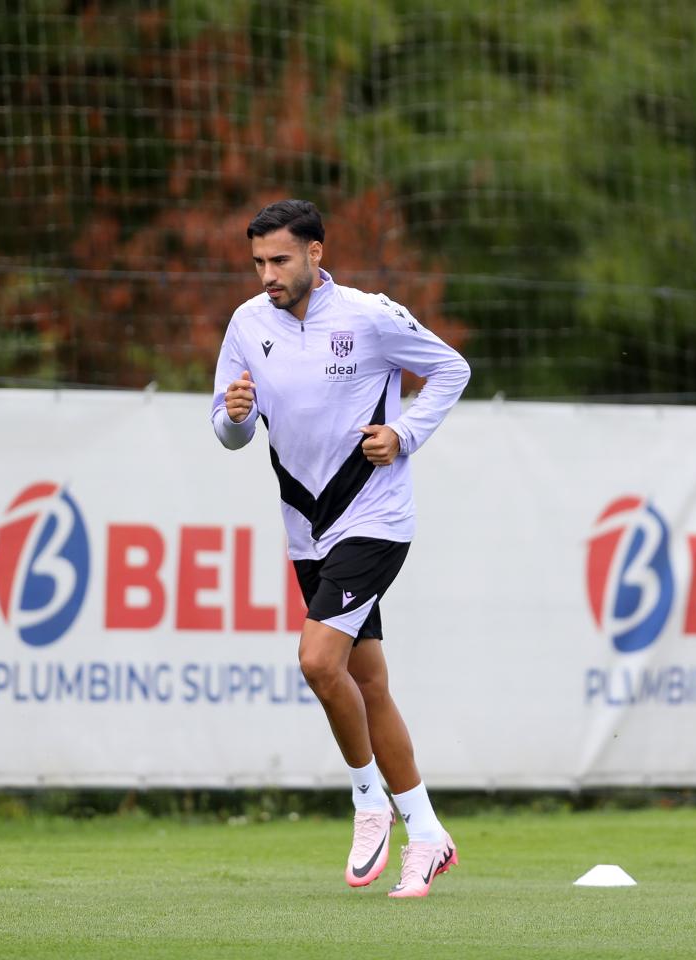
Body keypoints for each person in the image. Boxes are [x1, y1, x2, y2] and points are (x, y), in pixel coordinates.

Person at [209, 199, 470, 898]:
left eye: (280, 260)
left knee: (319, 662)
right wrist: (235, 419)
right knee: (370, 683)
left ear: (316, 254)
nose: (267, 274)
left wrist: (405, 435)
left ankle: (367, 801)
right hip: (307, 527)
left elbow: (451, 370)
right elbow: (227, 428)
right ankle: (428, 835)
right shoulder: (246, 325)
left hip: (376, 519)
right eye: (259, 261)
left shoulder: (369, 315)